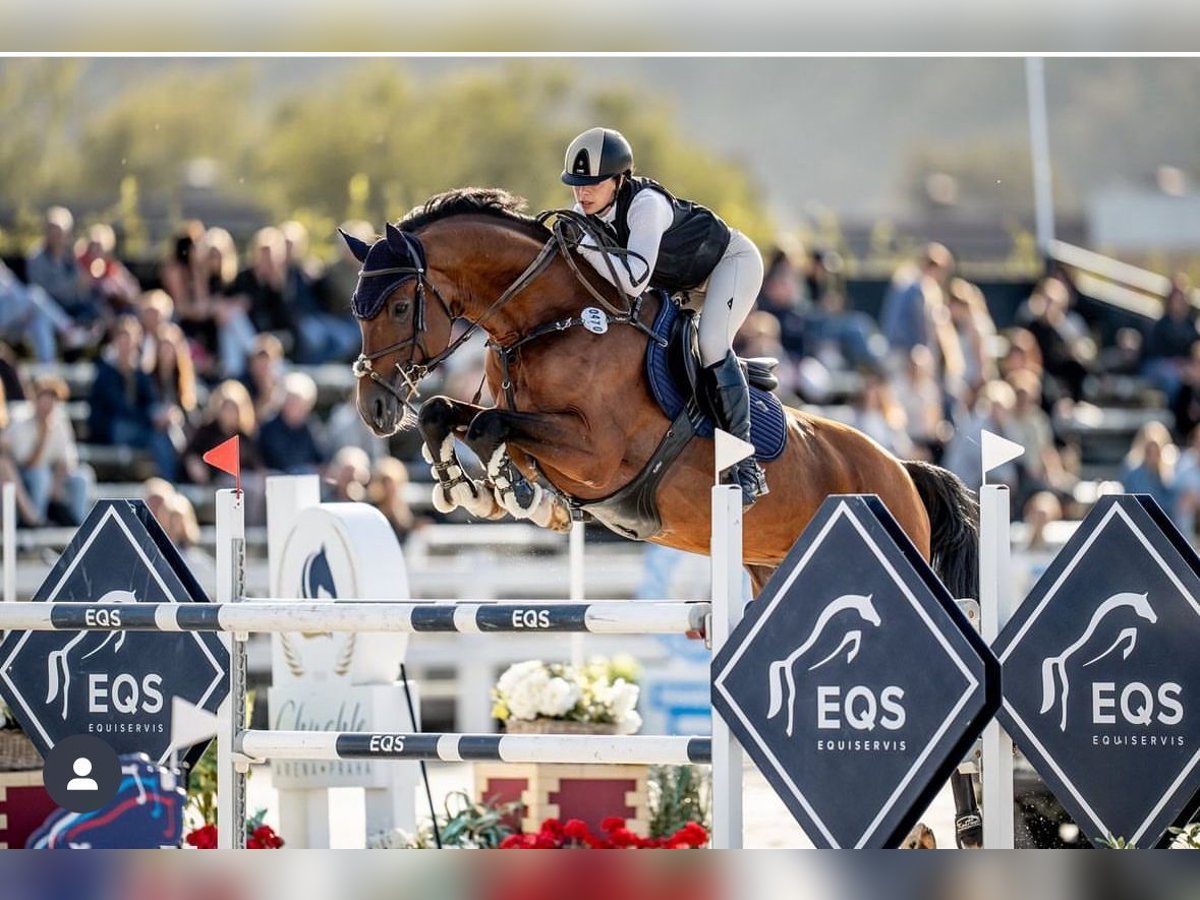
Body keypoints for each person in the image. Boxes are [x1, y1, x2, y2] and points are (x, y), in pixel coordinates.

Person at [560, 127, 767, 506]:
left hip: (729, 263)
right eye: (577, 184)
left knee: (711, 341)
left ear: (619, 180)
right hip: (680, 286)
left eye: (592, 184)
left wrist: (585, 244)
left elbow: (635, 280)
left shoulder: (645, 205)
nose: (582, 193)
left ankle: (745, 462)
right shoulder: (582, 214)